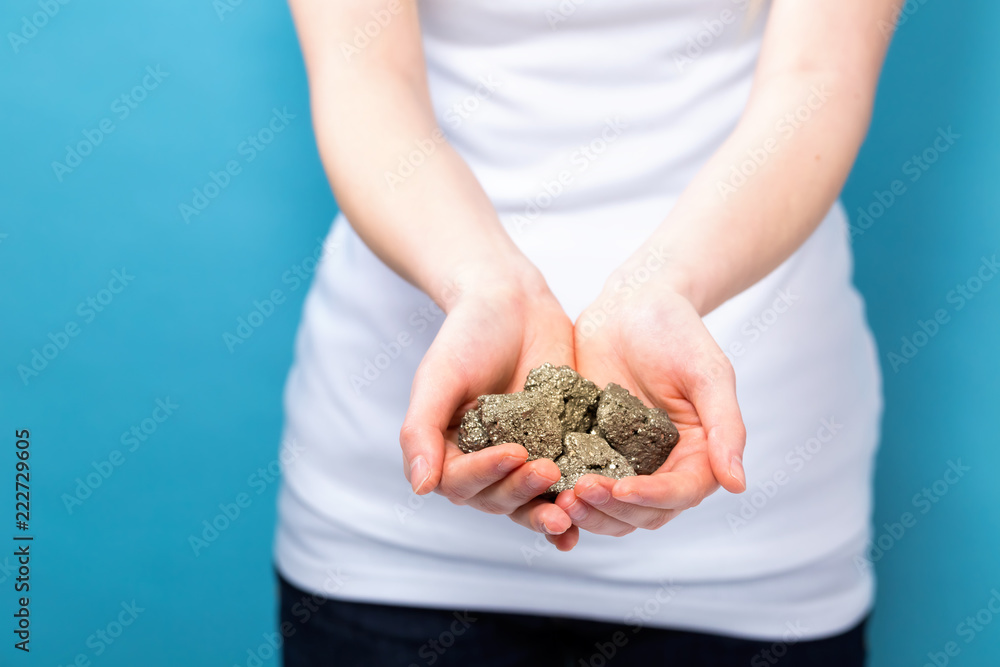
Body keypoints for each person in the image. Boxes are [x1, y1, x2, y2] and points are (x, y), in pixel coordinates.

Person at [274, 0, 897, 664]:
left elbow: (819, 76)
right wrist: (485, 284)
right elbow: (364, 76)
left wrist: (667, 285)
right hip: (390, 542)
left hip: (754, 537)